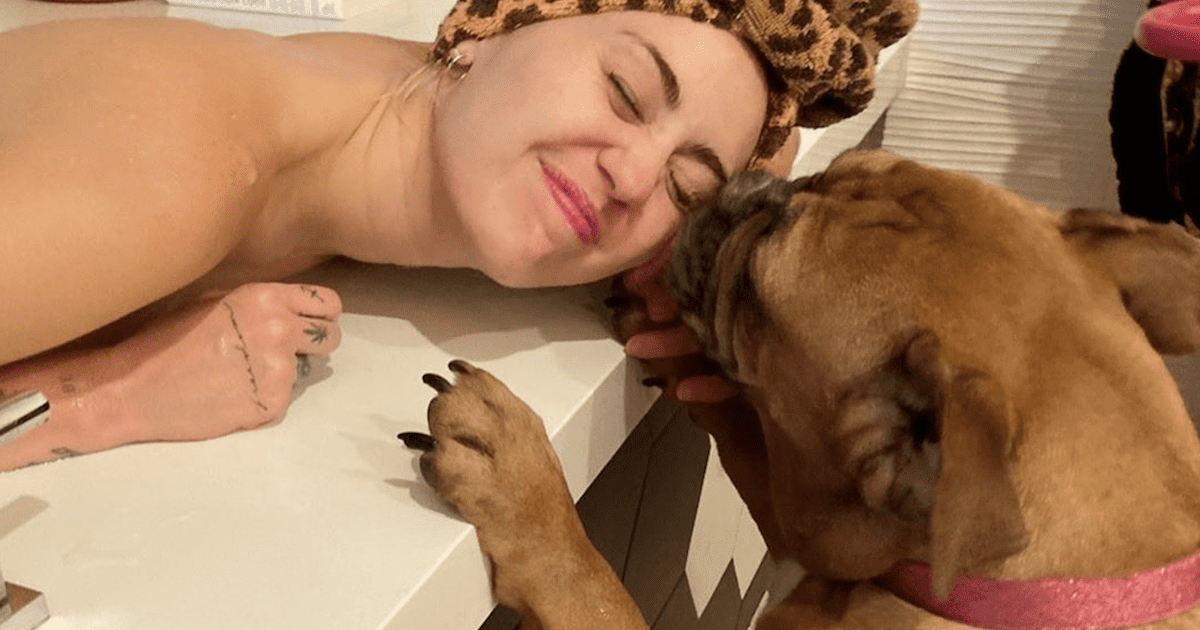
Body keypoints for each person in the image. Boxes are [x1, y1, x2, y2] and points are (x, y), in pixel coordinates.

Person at [0, 0, 917, 471]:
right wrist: (106, 396)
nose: (635, 179)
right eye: (626, 93)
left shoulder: (404, 111)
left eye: (685, 184)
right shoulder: (180, 174)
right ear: (489, 24)